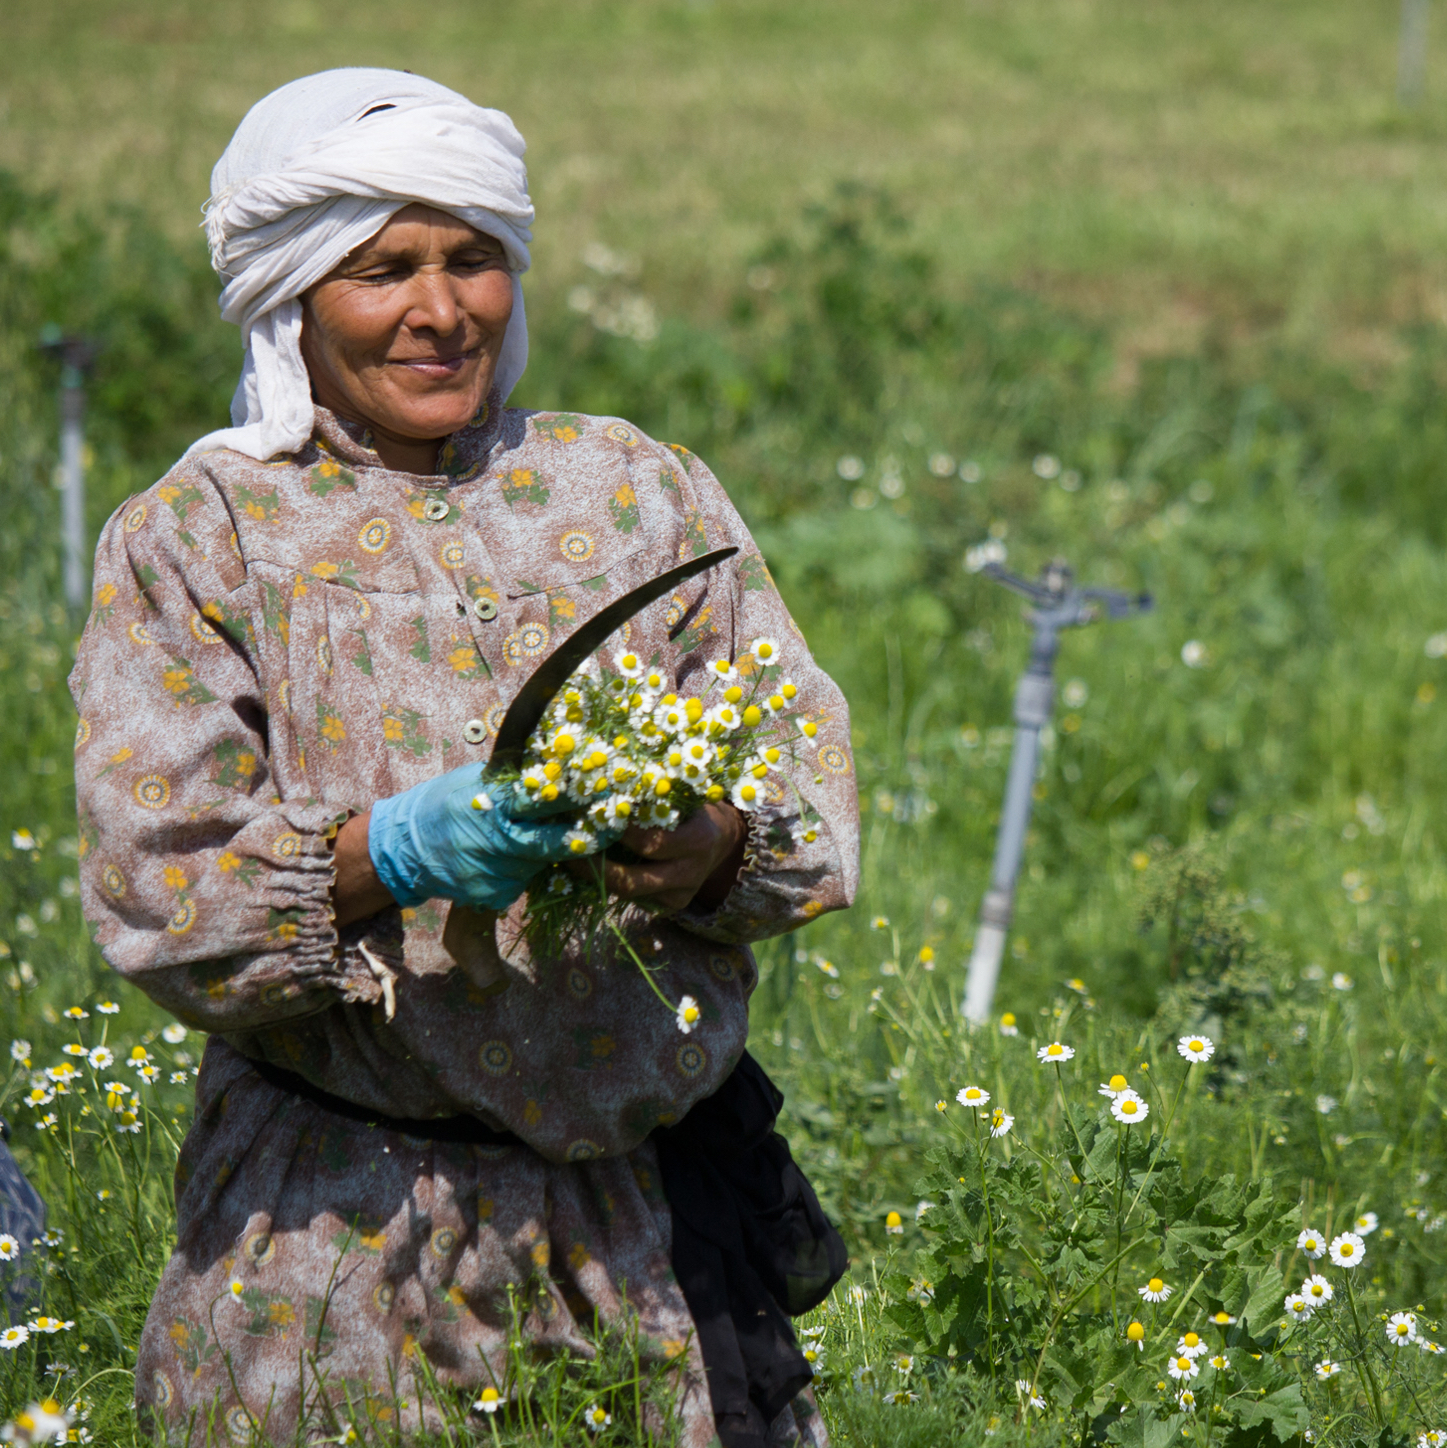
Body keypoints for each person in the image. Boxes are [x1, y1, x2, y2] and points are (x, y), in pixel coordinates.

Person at [68, 69, 859, 1447]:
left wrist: (708, 847)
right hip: (340, 1230)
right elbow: (159, 900)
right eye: (383, 271)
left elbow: (805, 791)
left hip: (653, 1229)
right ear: (293, 294)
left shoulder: (630, 493)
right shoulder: (204, 539)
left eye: (472, 259)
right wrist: (393, 851)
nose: (441, 311)